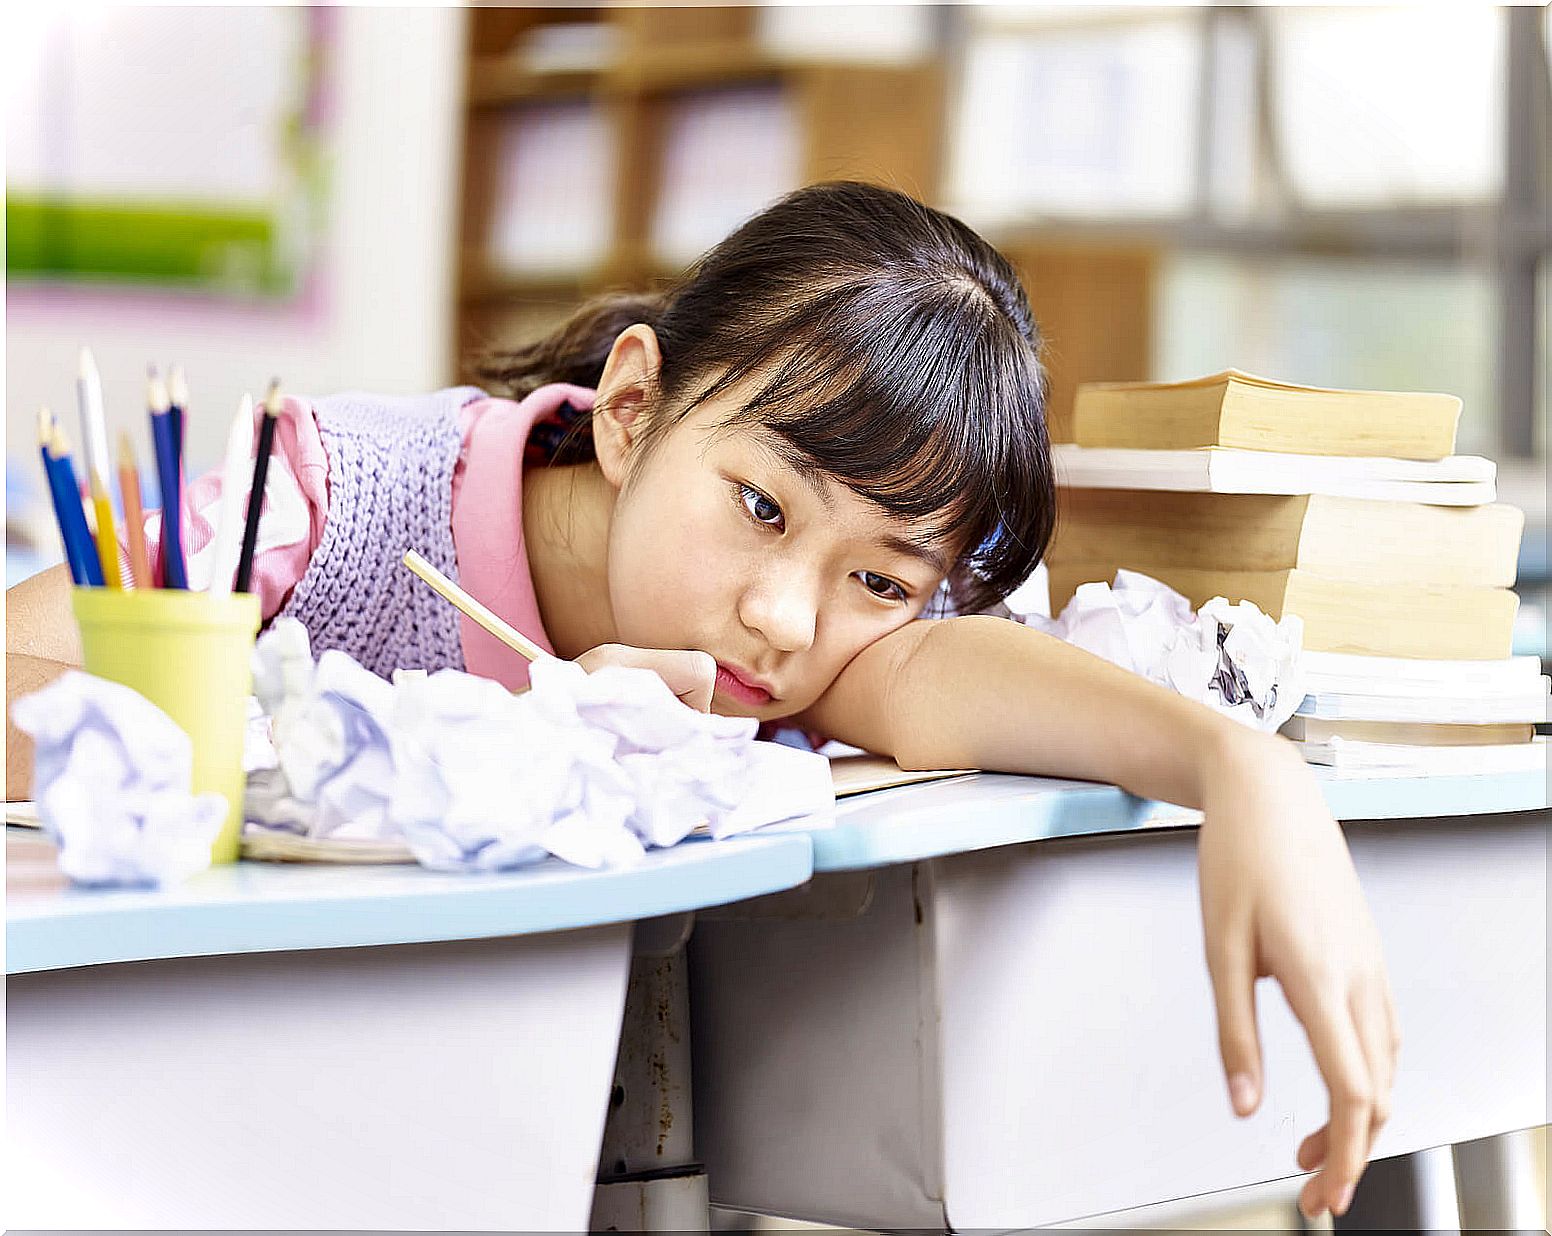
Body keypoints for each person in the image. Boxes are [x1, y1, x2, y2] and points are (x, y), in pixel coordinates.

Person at [5, 181, 1394, 1221]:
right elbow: (18, 683)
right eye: (758, 506)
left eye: (879, 577)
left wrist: (1239, 769)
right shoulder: (324, 500)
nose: (786, 619)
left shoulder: (827, 641)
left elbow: (933, 684)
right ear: (627, 408)